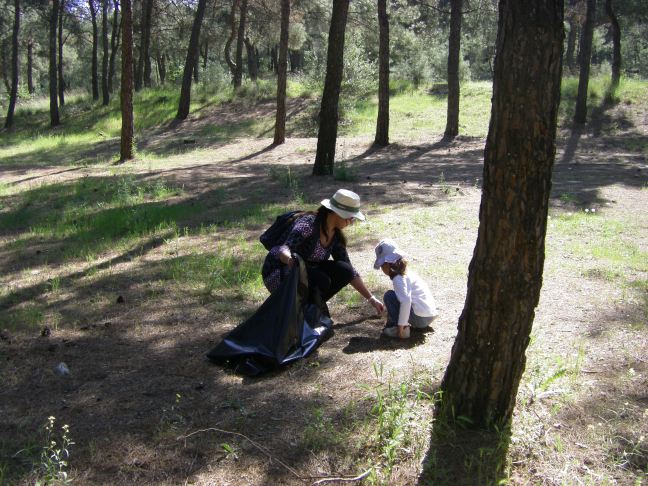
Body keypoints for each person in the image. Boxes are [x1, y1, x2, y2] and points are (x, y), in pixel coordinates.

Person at [262, 189, 384, 317]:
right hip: (279, 271)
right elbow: (284, 249)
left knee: (345, 271)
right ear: (338, 213)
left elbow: (350, 271)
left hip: (306, 272)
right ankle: (301, 310)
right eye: (350, 217)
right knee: (321, 280)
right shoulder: (308, 224)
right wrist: (291, 260)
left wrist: (371, 298)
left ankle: (308, 308)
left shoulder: (335, 236)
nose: (351, 222)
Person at [373, 238, 438, 339]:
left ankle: (400, 328)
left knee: (389, 296)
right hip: (430, 315)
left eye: (381, 265)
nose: (382, 269)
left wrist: (401, 326)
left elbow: (406, 301)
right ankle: (398, 325)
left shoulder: (398, 278)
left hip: (420, 318)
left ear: (387, 264)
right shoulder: (407, 273)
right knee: (396, 296)